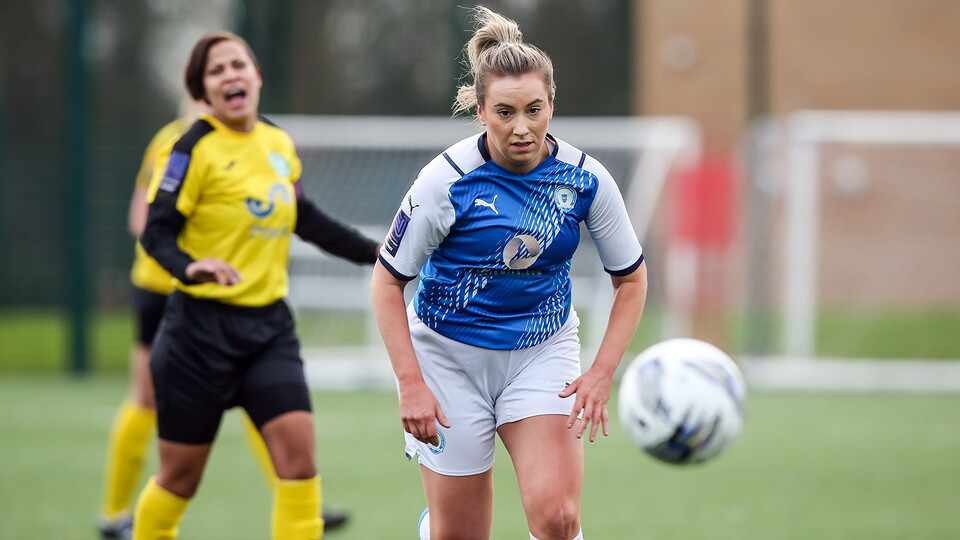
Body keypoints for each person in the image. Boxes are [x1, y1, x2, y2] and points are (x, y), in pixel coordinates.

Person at [370, 7, 648, 540]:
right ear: (480, 112)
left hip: (541, 352)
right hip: (448, 358)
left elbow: (631, 281)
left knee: (558, 519)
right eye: (504, 112)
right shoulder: (444, 182)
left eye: (533, 110)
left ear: (551, 106)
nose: (521, 127)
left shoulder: (586, 180)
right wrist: (411, 384)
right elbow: (387, 282)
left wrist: (601, 371)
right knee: (460, 534)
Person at [131, 31, 378, 540]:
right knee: (179, 480)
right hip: (197, 336)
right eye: (216, 71)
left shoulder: (277, 142)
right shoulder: (189, 148)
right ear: (203, 91)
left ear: (256, 75)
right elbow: (156, 233)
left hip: (268, 331)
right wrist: (189, 267)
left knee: (300, 465)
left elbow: (304, 217)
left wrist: (380, 254)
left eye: (237, 65)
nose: (230, 76)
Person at [98, 96, 351, 539]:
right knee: (147, 401)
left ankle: (293, 491)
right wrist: (186, 258)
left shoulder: (264, 141)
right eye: (208, 82)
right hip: (168, 293)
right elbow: (145, 219)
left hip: (241, 303)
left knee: (267, 399)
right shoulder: (176, 144)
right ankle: (116, 512)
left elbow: (296, 213)